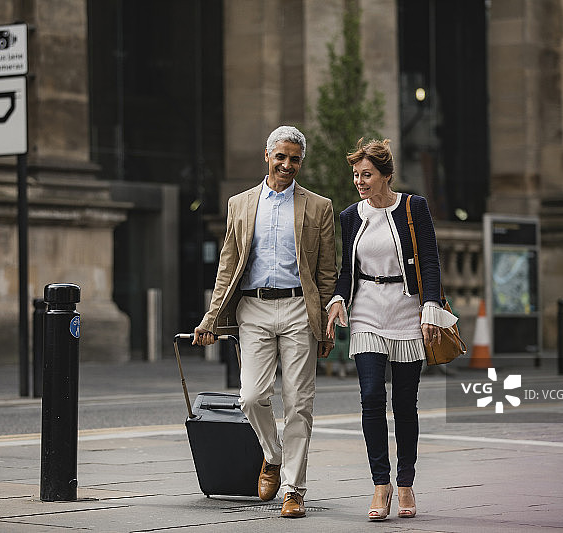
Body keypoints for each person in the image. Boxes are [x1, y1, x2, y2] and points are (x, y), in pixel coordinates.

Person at [193, 125, 337, 518]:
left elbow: (326, 273)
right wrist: (211, 317)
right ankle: (272, 455)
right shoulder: (240, 204)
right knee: (252, 398)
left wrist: (325, 323)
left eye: (294, 158)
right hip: (253, 310)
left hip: (297, 310)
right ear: (267, 156)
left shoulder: (318, 207)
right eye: (281, 156)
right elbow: (228, 265)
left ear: (300, 162)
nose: (287, 164)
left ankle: (293, 489)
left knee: (298, 403)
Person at [326, 138, 456, 521]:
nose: (360, 182)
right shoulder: (351, 216)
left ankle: (405, 482)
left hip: (406, 309)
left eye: (367, 175)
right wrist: (337, 299)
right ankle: (380, 484)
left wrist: (430, 306)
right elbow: (346, 267)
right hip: (366, 308)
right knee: (370, 396)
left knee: (404, 403)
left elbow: (430, 261)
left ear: (386, 175)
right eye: (356, 175)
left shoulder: (414, 207)